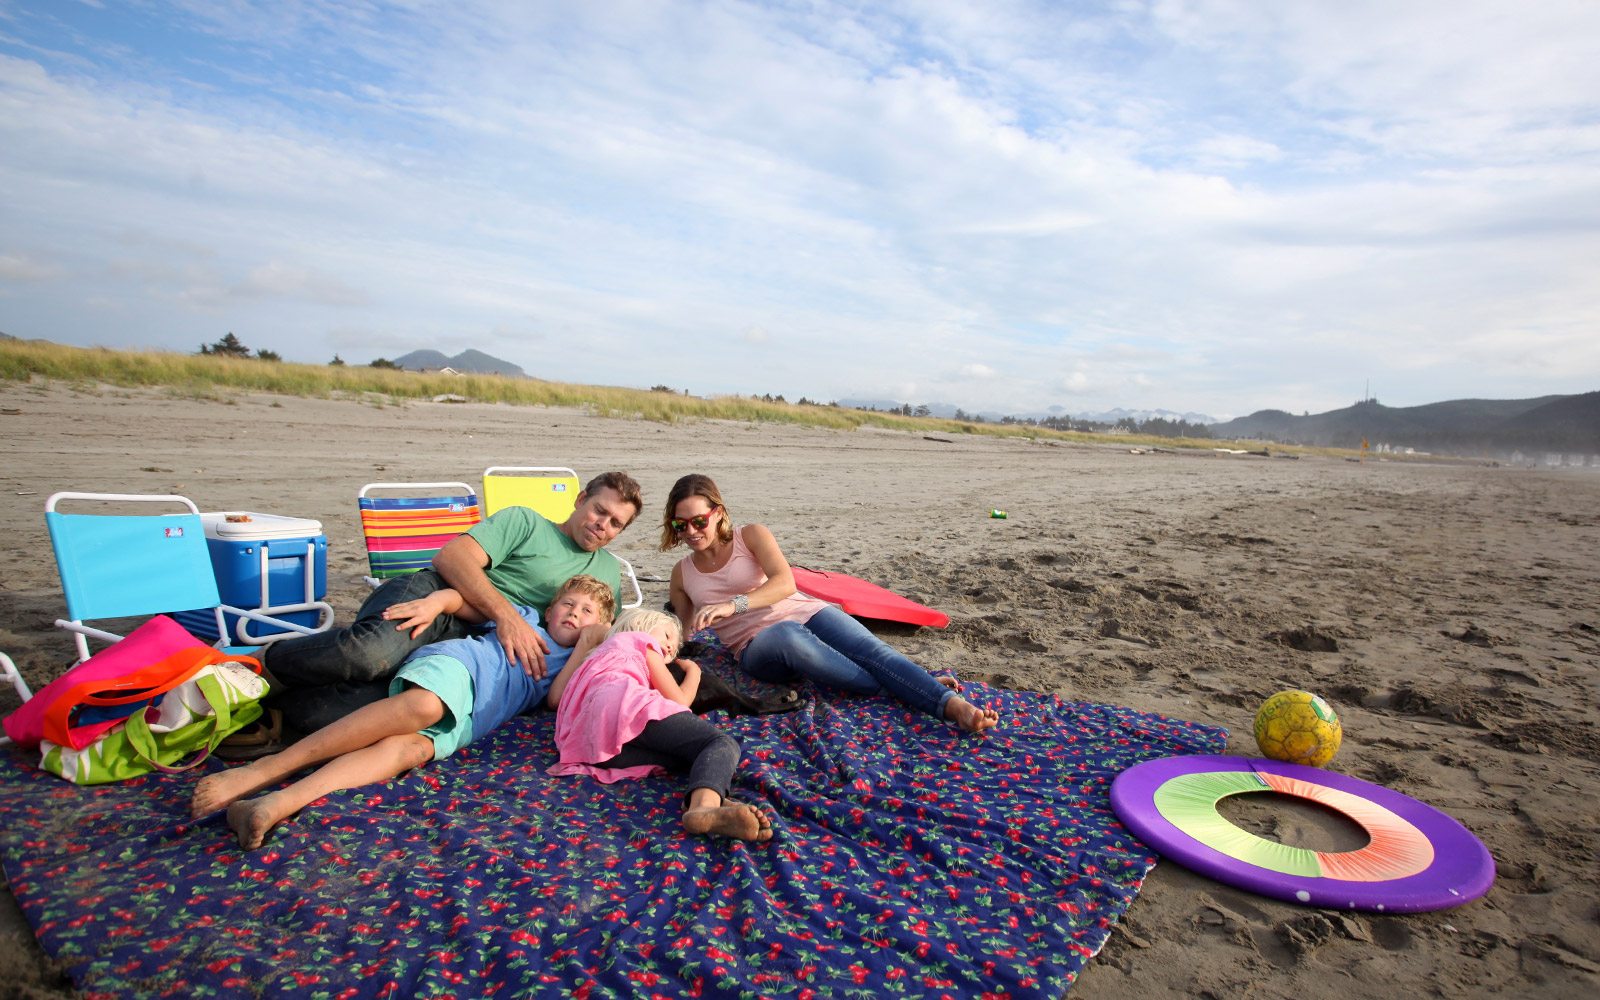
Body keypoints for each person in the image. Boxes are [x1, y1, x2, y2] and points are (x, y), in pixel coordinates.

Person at [192, 574, 616, 849]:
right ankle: (267, 770)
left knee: (406, 752)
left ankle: (279, 803)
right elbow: (461, 599)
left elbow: (557, 699)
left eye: (586, 613)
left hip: (475, 716)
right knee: (423, 706)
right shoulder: (524, 619)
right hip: (460, 668)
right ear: (549, 608)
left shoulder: (579, 661)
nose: (574, 615)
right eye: (568, 605)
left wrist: (586, 646)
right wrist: (436, 602)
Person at [255, 472, 643, 735]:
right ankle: (259, 665)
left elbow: (609, 634)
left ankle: (262, 708)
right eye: (599, 511)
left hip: (478, 647)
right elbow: (452, 558)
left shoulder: (607, 571)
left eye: (615, 524)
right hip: (437, 597)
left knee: (362, 708)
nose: (602, 525)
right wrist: (507, 616)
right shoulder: (526, 523)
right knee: (370, 654)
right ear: (580, 500)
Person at [663, 473, 999, 733]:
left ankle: (951, 705)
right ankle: (906, 687)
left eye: (698, 521)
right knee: (786, 635)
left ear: (718, 513)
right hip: (759, 648)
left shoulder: (750, 535)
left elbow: (785, 583)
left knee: (873, 651)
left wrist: (732, 605)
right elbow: (683, 631)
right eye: (680, 525)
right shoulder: (682, 573)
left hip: (805, 610)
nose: (690, 531)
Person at [546, 608, 772, 842]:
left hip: (593, 745)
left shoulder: (593, 659)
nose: (669, 648)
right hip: (624, 706)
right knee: (718, 743)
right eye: (666, 636)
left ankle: (710, 798)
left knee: (688, 756)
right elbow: (680, 700)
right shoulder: (638, 640)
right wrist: (694, 671)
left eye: (673, 648)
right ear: (642, 624)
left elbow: (557, 700)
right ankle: (704, 806)